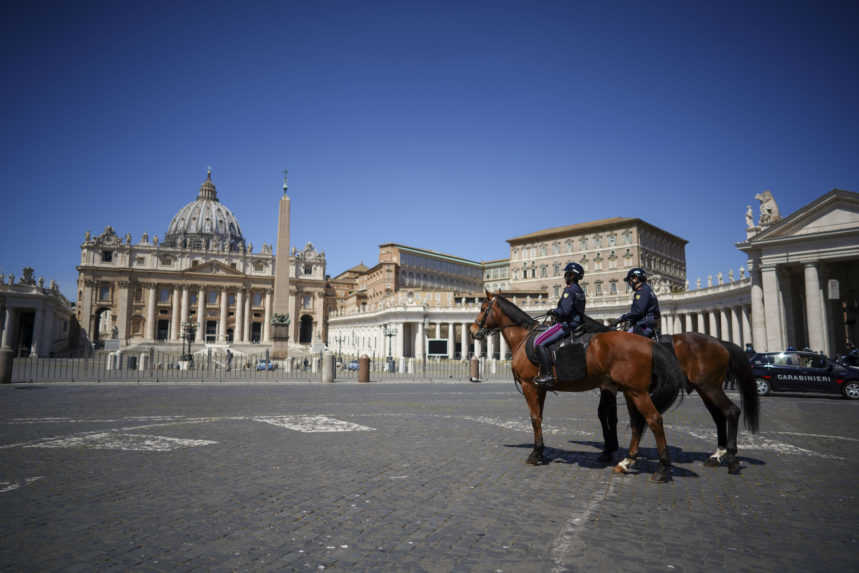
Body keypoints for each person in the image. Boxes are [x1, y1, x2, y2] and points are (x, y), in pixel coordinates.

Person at [534, 262, 586, 388]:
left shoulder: (569, 290)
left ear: (572, 276)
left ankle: (548, 375)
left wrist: (554, 311)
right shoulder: (580, 290)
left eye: (567, 274)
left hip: (566, 325)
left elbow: (565, 311)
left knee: (539, 342)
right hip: (577, 323)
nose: (565, 276)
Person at [615, 268, 660, 339]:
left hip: (643, 327)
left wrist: (622, 318)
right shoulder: (648, 290)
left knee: (621, 342)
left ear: (635, 279)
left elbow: (638, 311)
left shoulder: (642, 291)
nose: (629, 284)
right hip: (648, 325)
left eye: (629, 281)